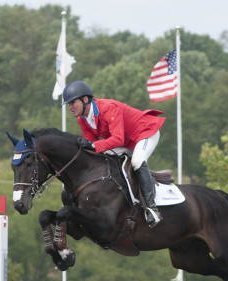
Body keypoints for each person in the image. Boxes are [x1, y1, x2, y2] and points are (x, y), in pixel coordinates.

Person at [62, 80, 165, 228]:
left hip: (145, 132)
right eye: (68, 104)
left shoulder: (109, 108)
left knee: (136, 161)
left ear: (85, 99)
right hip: (125, 142)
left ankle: (151, 208)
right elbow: (94, 147)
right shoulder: (82, 119)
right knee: (102, 159)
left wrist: (93, 145)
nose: (70, 107)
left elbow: (116, 139)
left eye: (72, 103)